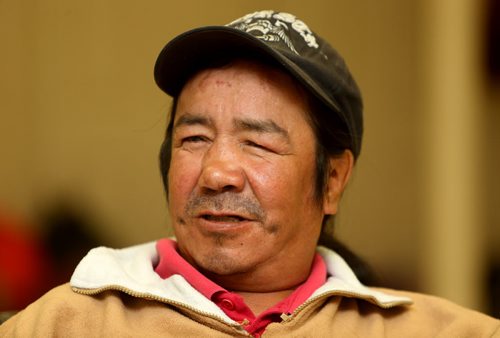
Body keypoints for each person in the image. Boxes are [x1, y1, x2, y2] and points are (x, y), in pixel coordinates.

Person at [1, 10, 499, 337]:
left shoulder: (431, 331)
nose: (217, 173)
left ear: (332, 181)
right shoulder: (68, 321)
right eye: (193, 138)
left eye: (257, 142)